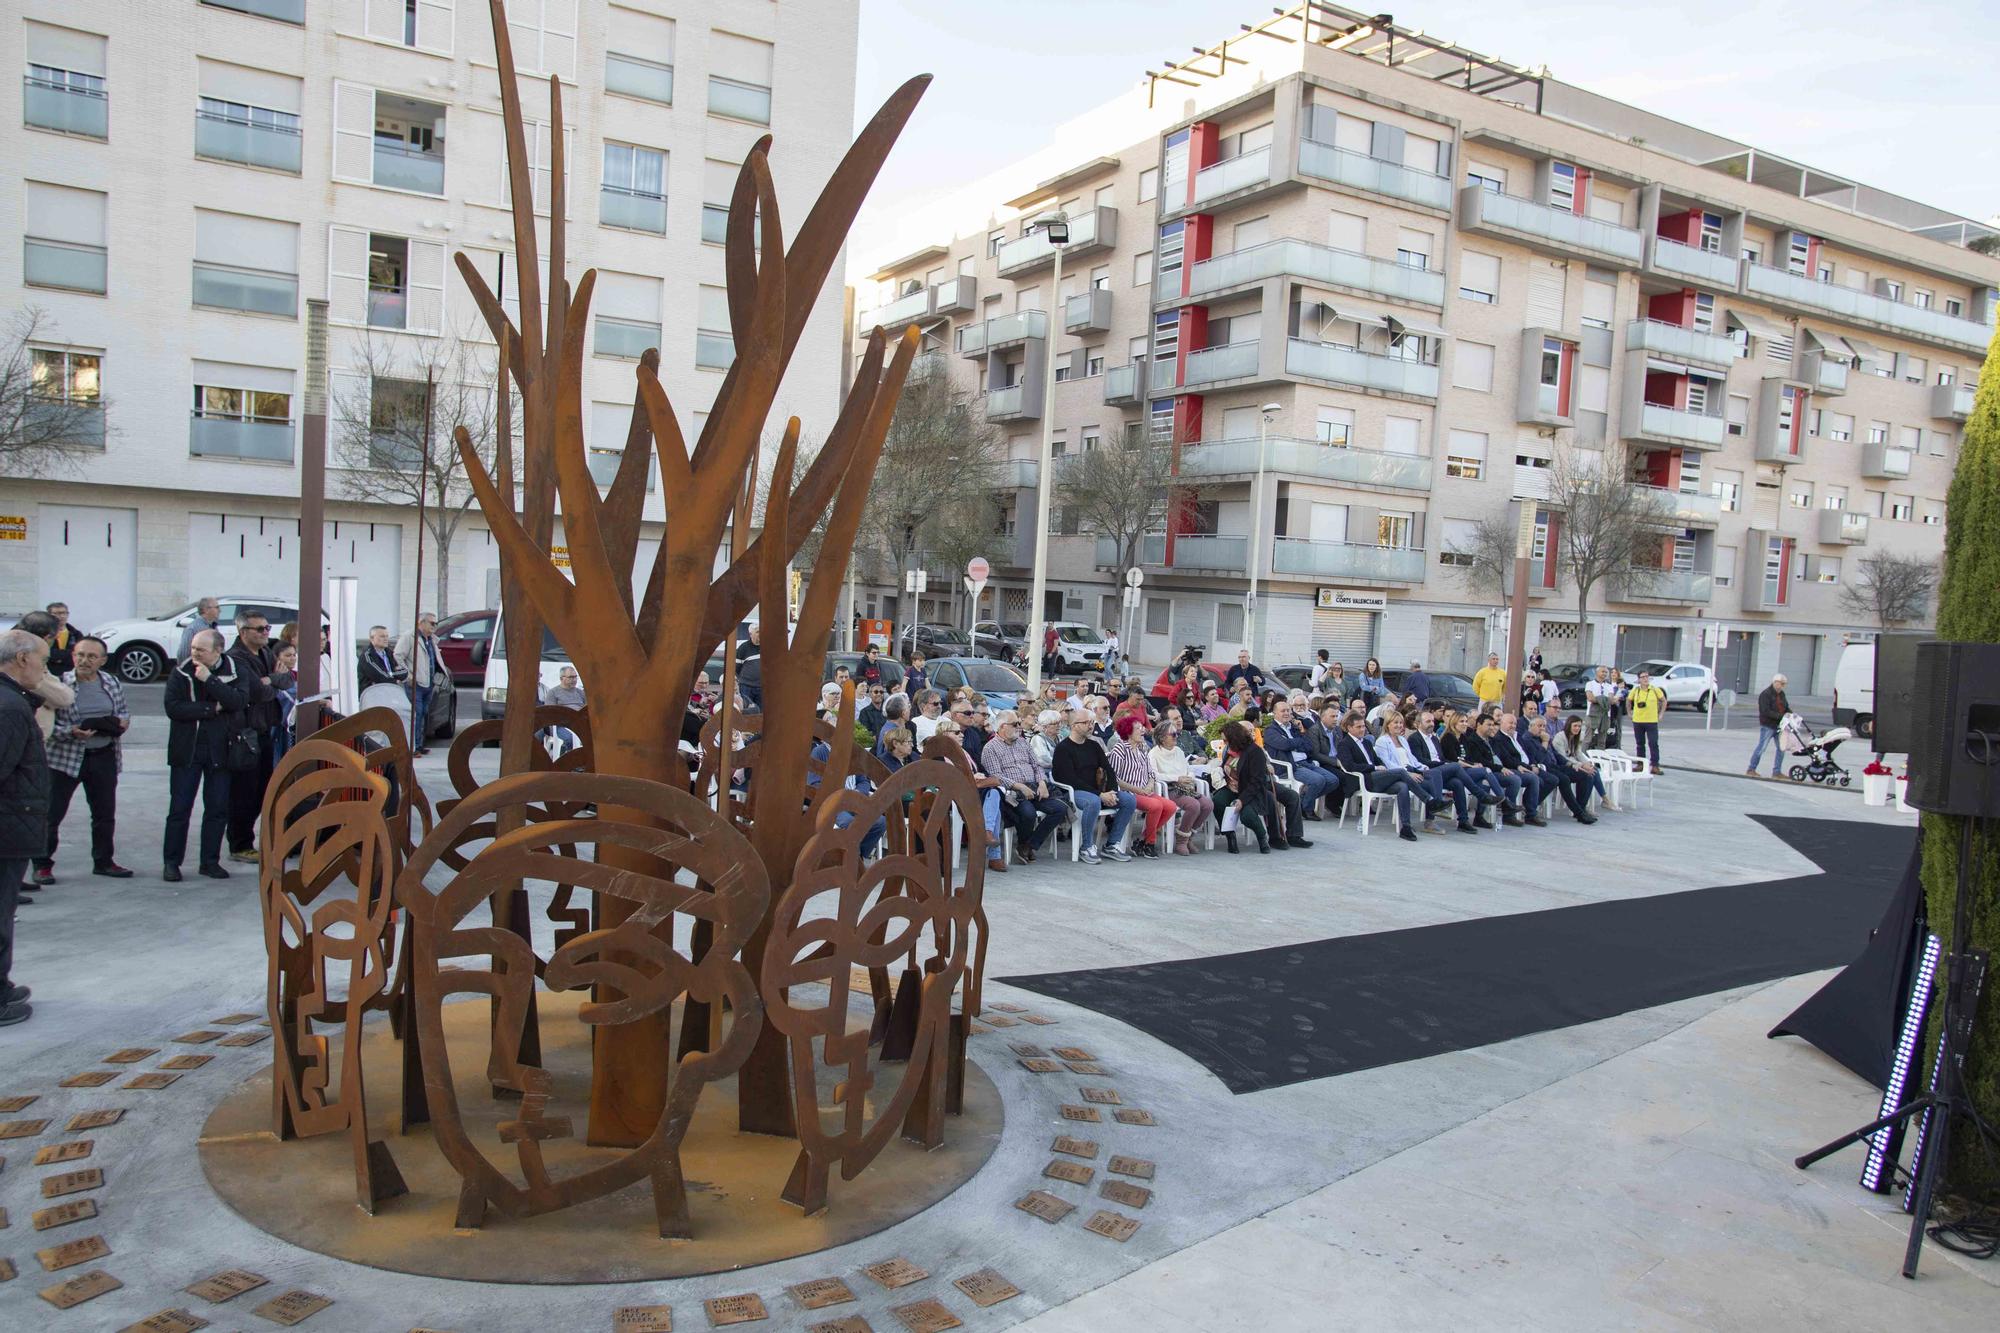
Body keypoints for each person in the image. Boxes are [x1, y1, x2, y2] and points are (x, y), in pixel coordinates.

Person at [36, 634, 132, 883]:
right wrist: (71, 733)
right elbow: (44, 727)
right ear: (72, 656)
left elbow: (122, 711)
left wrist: (121, 723)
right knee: (51, 815)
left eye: (91, 656)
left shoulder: (110, 682)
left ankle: (104, 862)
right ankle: (42, 865)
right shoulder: (59, 685)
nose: (84, 660)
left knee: (104, 814)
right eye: (80, 654)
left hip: (103, 756)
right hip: (65, 760)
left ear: (102, 660)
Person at [163, 629, 246, 881]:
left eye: (201, 649)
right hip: (188, 750)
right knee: (179, 808)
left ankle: (210, 862)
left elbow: (238, 701)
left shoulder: (235, 669)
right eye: (193, 648)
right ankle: (171, 862)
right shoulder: (181, 672)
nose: (194, 653)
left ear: (218, 650)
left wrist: (210, 680)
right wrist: (212, 708)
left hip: (221, 750)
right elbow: (174, 708)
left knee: (217, 808)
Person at [0, 628, 52, 1024]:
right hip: (7, 826)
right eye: (42, 661)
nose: (44, 670)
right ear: (21, 660)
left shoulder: (13, 701)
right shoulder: (10, 707)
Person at [223, 610, 280, 864]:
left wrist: (274, 680)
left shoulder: (267, 652)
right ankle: (239, 843)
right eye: (260, 629)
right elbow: (258, 692)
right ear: (243, 632)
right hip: (245, 733)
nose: (266, 633)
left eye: (267, 628)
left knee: (263, 788)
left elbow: (287, 679)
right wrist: (273, 683)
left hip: (266, 728)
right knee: (244, 791)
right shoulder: (237, 658)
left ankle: (244, 838)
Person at [977, 710, 1069, 865]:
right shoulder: (990, 748)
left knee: (1060, 808)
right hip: (1012, 792)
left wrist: (1042, 782)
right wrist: (1018, 786)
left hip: (1035, 786)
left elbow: (1036, 765)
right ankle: (1023, 843)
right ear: (1002, 726)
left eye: (1019, 723)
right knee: (1028, 813)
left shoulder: (1023, 742)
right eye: (1015, 724)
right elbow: (996, 776)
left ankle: (1029, 845)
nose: (1019, 727)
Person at [1051, 710, 1134, 863]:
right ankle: (1086, 847)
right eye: (1086, 723)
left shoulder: (1094, 745)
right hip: (1075, 792)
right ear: (1074, 725)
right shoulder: (1063, 749)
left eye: (1092, 723)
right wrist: (1100, 794)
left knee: (1129, 800)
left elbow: (1108, 769)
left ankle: (1111, 845)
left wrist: (1112, 791)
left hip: (1098, 790)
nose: (1091, 726)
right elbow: (1070, 780)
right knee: (1093, 801)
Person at [1335, 713, 1429, 842]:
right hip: (1363, 780)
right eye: (1358, 727)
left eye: (1363, 726)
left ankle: (1406, 827)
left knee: (1403, 786)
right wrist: (1374, 768)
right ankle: (1428, 800)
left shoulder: (1367, 742)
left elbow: (1377, 760)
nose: (1362, 729)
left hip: (1377, 778)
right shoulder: (1344, 744)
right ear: (1349, 728)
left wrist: (1380, 766)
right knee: (1401, 771)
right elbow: (1350, 766)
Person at [1374, 711, 1470, 835]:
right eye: (1395, 723)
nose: (1399, 725)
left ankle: (1445, 815)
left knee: (1451, 780)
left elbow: (1412, 759)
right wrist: (1407, 773)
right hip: (1399, 775)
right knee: (1454, 767)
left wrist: (1423, 768)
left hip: (1413, 771)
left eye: (1401, 723)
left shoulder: (1402, 740)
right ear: (1387, 725)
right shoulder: (1382, 741)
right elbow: (1388, 764)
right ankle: (1435, 809)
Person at [1107, 715, 1176, 859]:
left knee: (1170, 806)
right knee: (1156, 806)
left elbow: (1151, 772)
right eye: (1138, 728)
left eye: (1142, 728)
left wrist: (1150, 785)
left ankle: (1143, 840)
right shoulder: (1120, 748)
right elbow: (1115, 778)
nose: (1142, 731)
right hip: (1128, 792)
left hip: (1144, 791)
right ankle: (1149, 844)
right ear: (1128, 731)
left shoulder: (1142, 747)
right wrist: (1139, 790)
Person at [1407, 708, 1488, 831]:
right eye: (1428, 721)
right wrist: (1443, 765)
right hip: (1425, 772)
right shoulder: (1414, 738)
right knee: (1456, 766)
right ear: (1418, 724)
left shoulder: (1434, 739)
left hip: (1439, 771)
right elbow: (1419, 760)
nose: (1431, 724)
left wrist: (1444, 764)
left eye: (1432, 721)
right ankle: (1479, 794)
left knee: (1457, 783)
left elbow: (1442, 758)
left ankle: (1463, 821)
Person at [1217, 720, 1286, 854]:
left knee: (1247, 816)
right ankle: (1230, 836)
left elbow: (1257, 781)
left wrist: (1242, 800)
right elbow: (1225, 768)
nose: (1224, 744)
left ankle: (1262, 836)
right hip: (1231, 787)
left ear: (1234, 739)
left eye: (1226, 740)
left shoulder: (1254, 752)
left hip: (1249, 790)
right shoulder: (1229, 750)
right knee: (1217, 802)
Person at [1261, 698, 1335, 817]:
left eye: (1288, 711)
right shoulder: (1270, 731)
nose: (1287, 713)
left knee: (1333, 780)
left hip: (1305, 762)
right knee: (1318, 780)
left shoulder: (1295, 728)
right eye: (1283, 711)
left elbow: (1308, 746)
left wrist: (1299, 733)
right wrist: (1296, 742)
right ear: (1275, 714)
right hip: (1290, 766)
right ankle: (1307, 809)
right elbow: (1284, 745)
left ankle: (1302, 802)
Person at [1148, 717, 1213, 854]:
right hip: (1170, 789)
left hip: (1185, 787)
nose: (1176, 736)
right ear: (1162, 737)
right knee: (1193, 805)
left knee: (1207, 805)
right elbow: (1155, 776)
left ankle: (1188, 836)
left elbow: (1187, 768)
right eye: (1173, 734)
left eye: (1176, 733)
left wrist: (1189, 777)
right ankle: (1181, 840)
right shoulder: (1154, 753)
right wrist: (1177, 778)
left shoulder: (1178, 751)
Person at [1519, 714, 1597, 824]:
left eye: (1544, 726)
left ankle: (1580, 808)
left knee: (1586, 776)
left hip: (1555, 765)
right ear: (1531, 726)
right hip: (1543, 768)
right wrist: (1545, 742)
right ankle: (1579, 814)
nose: (1542, 729)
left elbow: (1556, 755)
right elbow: (1538, 759)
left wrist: (1570, 764)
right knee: (1563, 779)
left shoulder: (1543, 737)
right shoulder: (1527, 739)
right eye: (1539, 726)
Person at [1458, 712, 1529, 827]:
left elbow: (1506, 757)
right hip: (1487, 771)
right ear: (1479, 725)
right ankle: (1497, 809)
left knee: (1516, 779)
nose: (1491, 727)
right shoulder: (1472, 741)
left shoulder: (1493, 740)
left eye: (1492, 725)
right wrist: (1500, 768)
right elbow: (1480, 761)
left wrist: (1517, 766)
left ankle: (1508, 814)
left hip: (1497, 770)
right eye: (1488, 725)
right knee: (1491, 782)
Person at [15, 611, 73, 742]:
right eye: (54, 638)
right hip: (25, 740)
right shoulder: (25, 659)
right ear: (47, 638)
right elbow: (63, 698)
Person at [395, 613, 446, 757]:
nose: (434, 626)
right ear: (421, 623)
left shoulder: (431, 640)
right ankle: (413, 747)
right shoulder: (409, 637)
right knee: (415, 715)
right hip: (415, 684)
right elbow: (398, 656)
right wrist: (408, 676)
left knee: (423, 714)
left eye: (435, 623)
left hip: (427, 683)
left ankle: (419, 744)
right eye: (431, 623)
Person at [1490, 713, 1551, 826]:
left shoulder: (1516, 736)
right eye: (1510, 723)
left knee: (1543, 779)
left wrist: (1530, 766)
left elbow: (1525, 754)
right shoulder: (1499, 739)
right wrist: (1524, 767)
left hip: (1523, 766)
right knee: (1527, 778)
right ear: (1502, 723)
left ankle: (1530, 813)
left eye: (1514, 723)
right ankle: (1510, 814)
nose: (1513, 726)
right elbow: (1506, 759)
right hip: (1507, 769)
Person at [1556, 715, 1617, 812]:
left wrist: (1587, 763)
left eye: (1579, 726)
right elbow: (1562, 758)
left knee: (1592, 771)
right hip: (1563, 766)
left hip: (1574, 764)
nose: (1577, 729)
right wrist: (1581, 765)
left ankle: (1583, 806)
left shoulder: (1575, 737)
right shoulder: (1560, 737)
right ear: (1569, 725)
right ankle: (1601, 800)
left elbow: (1579, 753)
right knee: (1588, 775)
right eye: (1575, 726)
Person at [1748, 673, 1791, 779]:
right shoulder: (1765, 694)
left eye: (1784, 684)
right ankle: (1751, 769)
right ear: (1775, 682)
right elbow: (1765, 711)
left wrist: (1791, 714)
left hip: (1779, 725)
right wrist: (1781, 716)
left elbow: (1786, 707)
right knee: (1761, 748)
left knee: (1781, 748)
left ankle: (1777, 772)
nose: (1782, 686)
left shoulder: (1782, 694)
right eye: (1781, 684)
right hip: (1768, 725)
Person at [1627, 668, 1667, 775]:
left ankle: (1655, 765)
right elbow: (1628, 701)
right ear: (1639, 679)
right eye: (1643, 677)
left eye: (1647, 676)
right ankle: (1640, 764)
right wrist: (1629, 713)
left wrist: (1661, 714)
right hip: (1638, 721)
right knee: (1640, 744)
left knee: (1653, 743)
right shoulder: (1635, 690)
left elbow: (1663, 701)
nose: (1645, 679)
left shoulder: (1655, 689)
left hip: (1651, 721)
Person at [1584, 667, 1620, 750]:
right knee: (1588, 738)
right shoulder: (1590, 684)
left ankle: (1600, 760)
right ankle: (1584, 757)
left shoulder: (1609, 686)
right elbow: (1590, 698)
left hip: (1605, 714)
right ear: (1597, 673)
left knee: (1602, 740)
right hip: (1592, 714)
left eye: (1606, 672)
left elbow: (1611, 700)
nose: (1604, 674)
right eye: (1602, 672)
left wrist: (1598, 699)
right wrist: (1604, 699)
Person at [177, 597, 222, 661]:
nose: (220, 610)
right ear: (205, 610)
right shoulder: (193, 628)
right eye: (217, 607)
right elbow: (183, 655)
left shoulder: (212, 626)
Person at [44, 602, 77, 677]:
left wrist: (58, 657)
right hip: (48, 674)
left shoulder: (75, 634)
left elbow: (77, 655)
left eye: (63, 613)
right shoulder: (44, 633)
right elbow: (44, 653)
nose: (61, 616)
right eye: (56, 613)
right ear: (49, 615)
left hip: (69, 675)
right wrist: (67, 655)